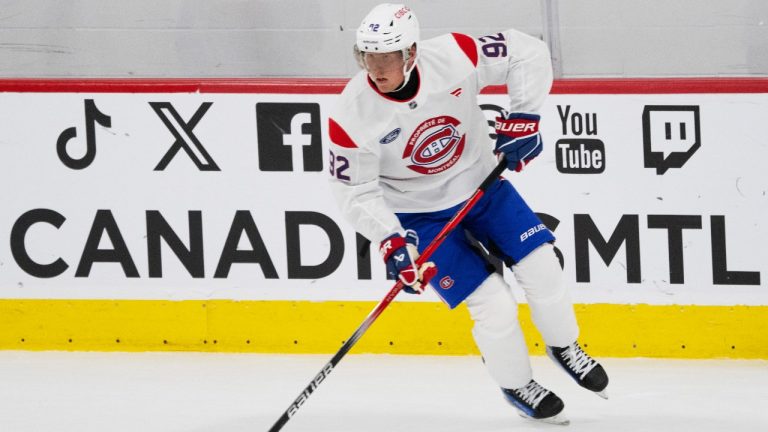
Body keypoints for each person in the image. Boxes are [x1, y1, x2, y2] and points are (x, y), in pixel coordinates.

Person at [327, 3, 608, 425]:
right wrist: (390, 239)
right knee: (494, 305)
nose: (376, 68)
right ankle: (517, 385)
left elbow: (526, 51)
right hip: (417, 216)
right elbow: (354, 190)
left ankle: (564, 344)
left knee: (543, 266)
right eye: (368, 56)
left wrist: (525, 115)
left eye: (387, 56)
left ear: (411, 53)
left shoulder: (453, 55)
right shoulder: (351, 115)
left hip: (482, 186)